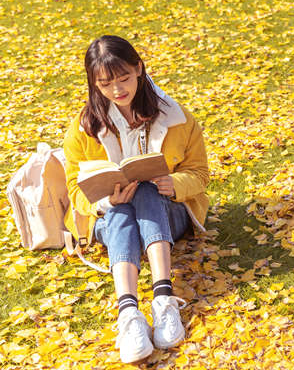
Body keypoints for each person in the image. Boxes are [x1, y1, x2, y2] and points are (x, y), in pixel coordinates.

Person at [62, 35, 209, 363]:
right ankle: (129, 314)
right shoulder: (83, 128)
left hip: (169, 211)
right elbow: (74, 189)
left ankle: (163, 300)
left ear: (139, 68)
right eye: (105, 83)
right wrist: (106, 202)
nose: (117, 90)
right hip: (110, 218)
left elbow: (200, 175)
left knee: (144, 190)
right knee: (119, 210)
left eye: (124, 78)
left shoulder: (177, 118)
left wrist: (173, 183)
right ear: (93, 84)